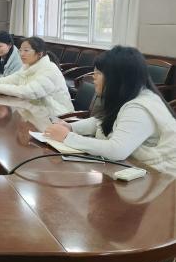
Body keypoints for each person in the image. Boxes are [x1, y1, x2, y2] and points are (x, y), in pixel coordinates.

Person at [45, 46, 176, 173]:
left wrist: (67, 137)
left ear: (118, 78)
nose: (94, 76)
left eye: (99, 73)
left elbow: (117, 150)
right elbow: (102, 120)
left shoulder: (139, 108)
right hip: (134, 169)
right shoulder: (127, 96)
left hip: (161, 177)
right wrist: (71, 127)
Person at [0, 36, 74, 116]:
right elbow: (12, 79)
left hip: (57, 115)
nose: (21, 54)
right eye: (20, 50)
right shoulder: (28, 66)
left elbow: (29, 92)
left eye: (26, 50)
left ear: (39, 54)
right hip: (36, 111)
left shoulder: (50, 69)